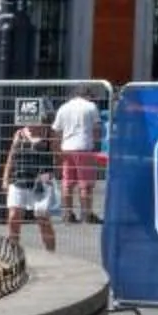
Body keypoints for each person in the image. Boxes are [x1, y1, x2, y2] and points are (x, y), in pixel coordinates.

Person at [2, 105, 61, 253]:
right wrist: (5, 178)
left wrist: (53, 173)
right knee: (14, 216)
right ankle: (13, 252)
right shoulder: (20, 134)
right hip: (19, 179)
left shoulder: (49, 134)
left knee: (42, 218)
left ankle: (51, 253)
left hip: (41, 182)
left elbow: (59, 157)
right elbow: (11, 157)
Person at [53, 85, 104, 224]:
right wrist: (97, 144)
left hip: (67, 148)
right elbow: (97, 129)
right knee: (85, 184)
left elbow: (57, 131)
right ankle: (86, 214)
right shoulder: (91, 107)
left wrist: (57, 150)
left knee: (67, 183)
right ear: (87, 95)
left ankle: (67, 213)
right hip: (84, 148)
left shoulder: (63, 108)